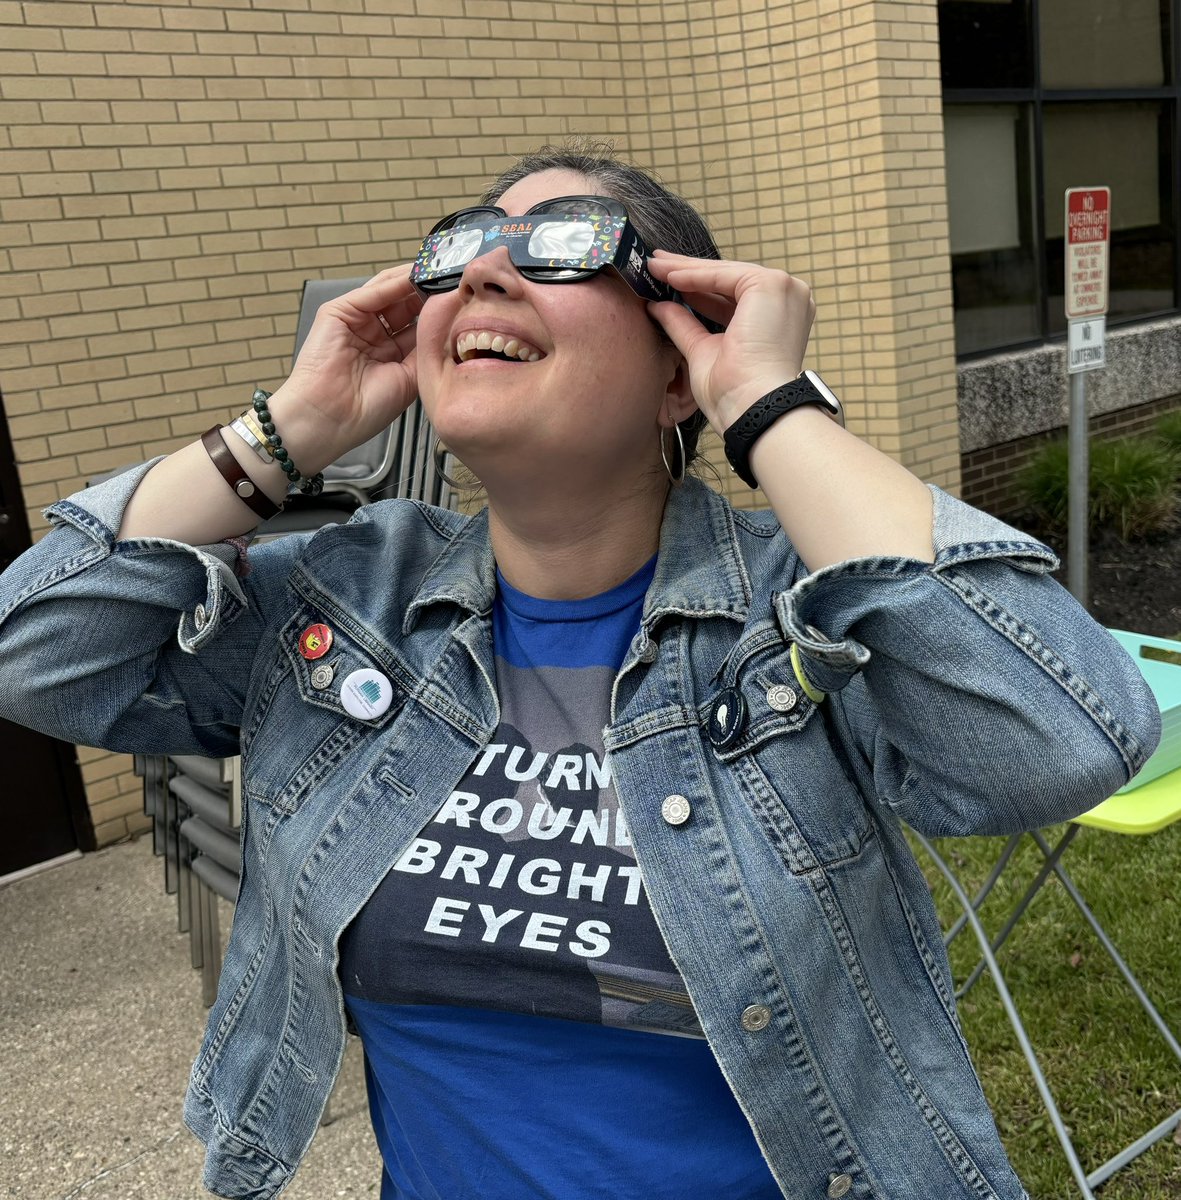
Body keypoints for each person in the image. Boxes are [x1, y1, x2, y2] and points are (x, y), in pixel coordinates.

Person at [0, 140, 1161, 1200]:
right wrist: (291, 424)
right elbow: (38, 654)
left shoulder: (797, 613)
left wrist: (769, 405)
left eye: (560, 246)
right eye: (460, 251)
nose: (484, 277)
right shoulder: (352, 601)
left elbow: (1065, 737)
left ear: (676, 368)